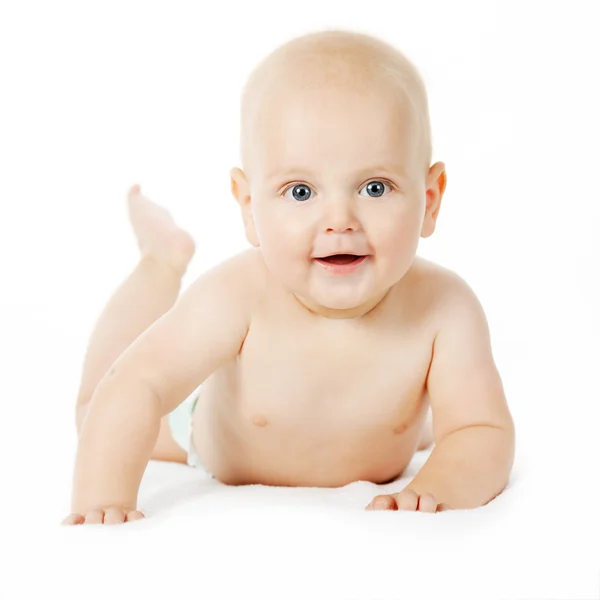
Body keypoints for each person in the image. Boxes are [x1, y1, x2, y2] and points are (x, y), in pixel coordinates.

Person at [62, 29, 515, 525]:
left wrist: (437, 486)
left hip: (378, 434)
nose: (340, 219)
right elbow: (138, 383)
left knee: (430, 421)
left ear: (429, 200)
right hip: (213, 444)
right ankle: (161, 259)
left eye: (375, 187)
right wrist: (102, 501)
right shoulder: (238, 295)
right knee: (97, 409)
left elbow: (480, 429)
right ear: (250, 207)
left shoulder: (444, 309)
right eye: (301, 191)